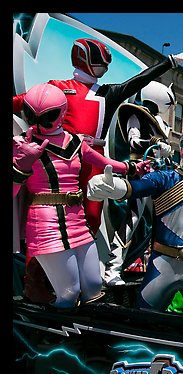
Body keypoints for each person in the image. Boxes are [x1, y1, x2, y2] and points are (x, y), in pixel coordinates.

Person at [13, 37, 183, 234]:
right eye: (101, 61)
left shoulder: (107, 93)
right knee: (47, 210)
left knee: (92, 216)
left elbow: (139, 81)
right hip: (59, 155)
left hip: (93, 156)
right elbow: (22, 101)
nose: (105, 66)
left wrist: (170, 62)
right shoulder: (58, 87)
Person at [13, 83, 148, 308]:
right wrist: (21, 167)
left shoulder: (75, 142)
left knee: (94, 286)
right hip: (45, 222)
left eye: (47, 117)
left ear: (61, 113)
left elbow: (104, 162)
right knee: (69, 291)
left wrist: (131, 168)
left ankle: (86, 336)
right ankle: (53, 338)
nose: (37, 124)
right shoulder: (21, 145)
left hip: (76, 218)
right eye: (31, 116)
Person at [87, 127, 183, 316]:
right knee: (143, 316)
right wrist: (112, 186)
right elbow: (138, 187)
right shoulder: (165, 178)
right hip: (164, 263)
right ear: (181, 147)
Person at [102, 81, 176, 287]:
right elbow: (133, 142)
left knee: (157, 224)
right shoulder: (137, 115)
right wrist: (154, 145)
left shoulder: (157, 121)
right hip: (140, 174)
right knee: (131, 221)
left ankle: (156, 268)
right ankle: (112, 269)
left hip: (158, 177)